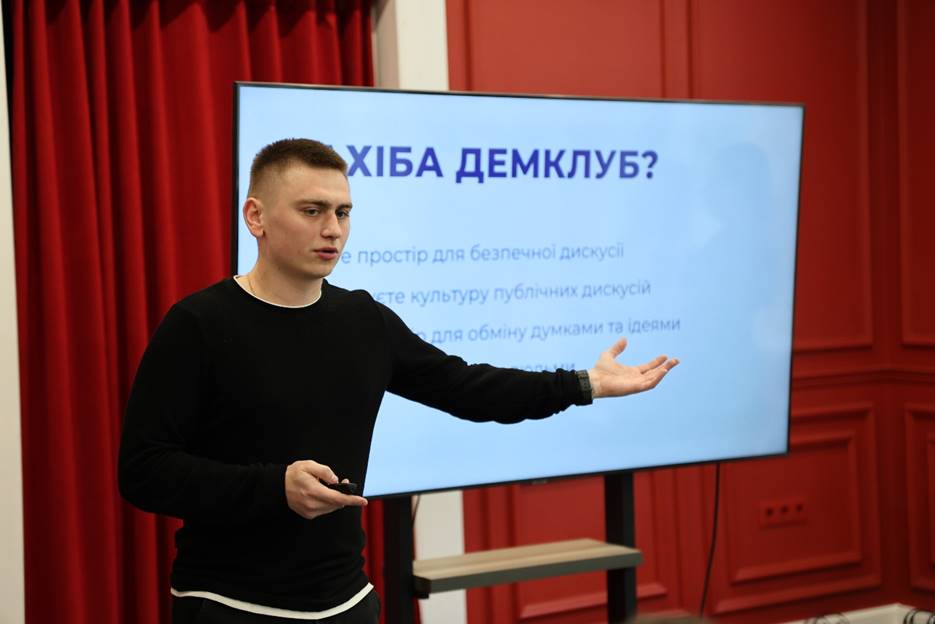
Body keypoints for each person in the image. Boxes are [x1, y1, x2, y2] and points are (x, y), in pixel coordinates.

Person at [118, 138, 679, 624]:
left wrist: (584, 384)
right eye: (312, 210)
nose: (333, 229)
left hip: (348, 601)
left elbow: (468, 387)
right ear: (255, 217)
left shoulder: (364, 321)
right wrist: (273, 488)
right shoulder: (199, 324)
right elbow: (143, 470)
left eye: (343, 212)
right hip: (230, 604)